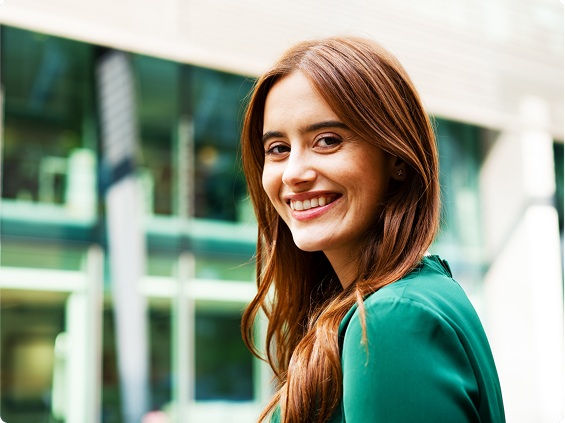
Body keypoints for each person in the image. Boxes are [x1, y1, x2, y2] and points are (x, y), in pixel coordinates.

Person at [240, 36, 505, 423]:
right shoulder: (399, 300)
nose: (294, 173)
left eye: (327, 141)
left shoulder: (392, 320)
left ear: (396, 157)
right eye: (278, 148)